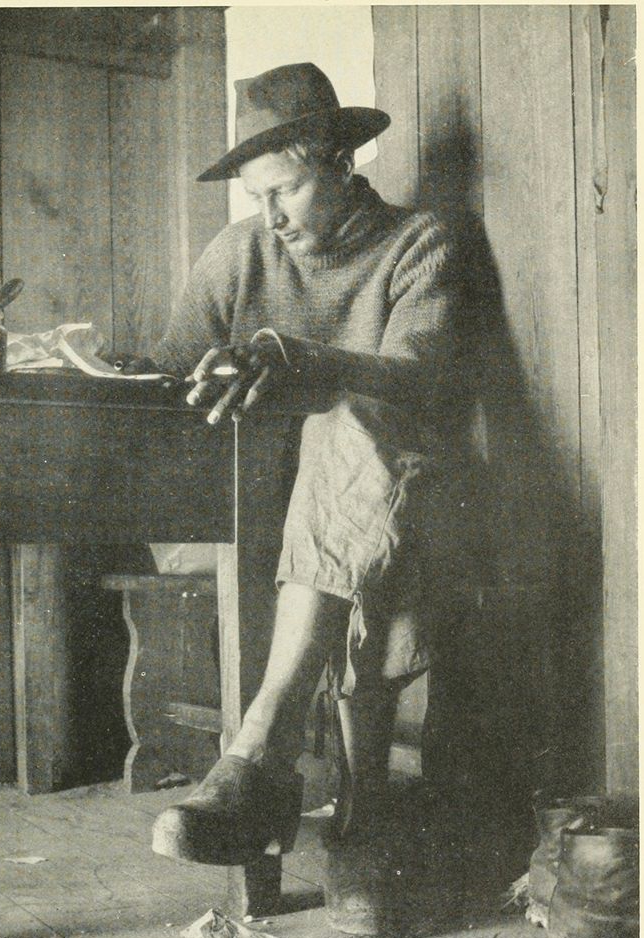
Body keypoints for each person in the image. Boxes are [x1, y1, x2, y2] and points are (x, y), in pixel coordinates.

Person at [149, 63, 471, 874]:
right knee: (349, 483)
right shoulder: (240, 251)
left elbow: (420, 378)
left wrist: (302, 362)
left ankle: (260, 754)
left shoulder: (419, 240)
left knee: (347, 422)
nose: (270, 218)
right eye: (255, 197)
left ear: (339, 162)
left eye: (284, 191)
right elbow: (169, 379)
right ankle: (356, 819)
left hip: (384, 489)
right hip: (256, 498)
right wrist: (212, 378)